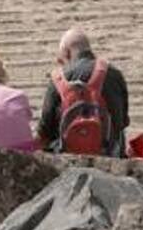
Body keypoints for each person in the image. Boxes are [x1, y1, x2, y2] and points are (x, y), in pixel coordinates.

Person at [37, 27, 130, 157]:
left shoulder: (58, 78)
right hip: (109, 153)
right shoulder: (114, 74)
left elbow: (45, 129)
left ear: (66, 53)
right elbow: (123, 122)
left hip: (67, 154)